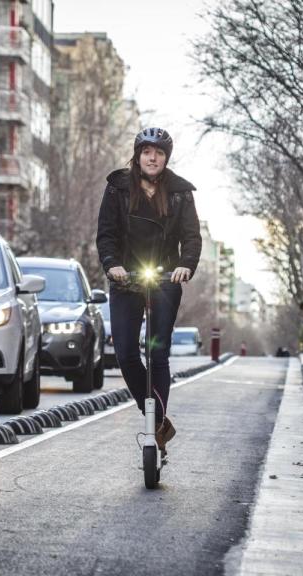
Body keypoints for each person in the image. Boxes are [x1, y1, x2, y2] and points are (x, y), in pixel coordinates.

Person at [96, 127, 202, 455]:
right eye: (146, 152)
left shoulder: (181, 192)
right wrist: (112, 264)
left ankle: (156, 425)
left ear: (166, 157)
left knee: (157, 353)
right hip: (126, 279)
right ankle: (155, 420)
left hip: (165, 279)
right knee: (126, 351)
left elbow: (192, 236)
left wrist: (185, 265)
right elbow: (106, 234)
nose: (152, 157)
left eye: (158, 152)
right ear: (138, 155)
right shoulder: (117, 188)